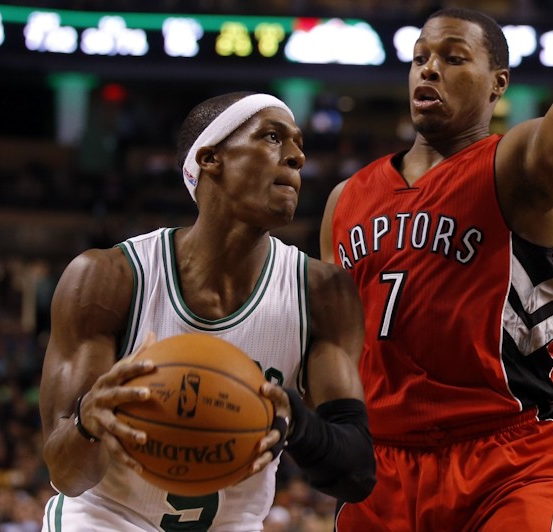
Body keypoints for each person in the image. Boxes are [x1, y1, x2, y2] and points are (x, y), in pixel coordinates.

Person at [320, 4, 553, 531]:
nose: (429, 68)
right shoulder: (345, 199)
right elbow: (330, 344)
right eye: (420, 57)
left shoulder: (515, 166)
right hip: (382, 466)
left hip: (505, 458)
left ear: (497, 84)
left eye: (453, 57)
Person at [39, 92, 376, 531]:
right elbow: (66, 475)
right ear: (211, 158)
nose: (297, 157)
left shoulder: (322, 292)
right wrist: (88, 424)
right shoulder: (108, 279)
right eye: (273, 137)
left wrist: (298, 423)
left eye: (298, 143)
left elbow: (356, 474)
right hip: (107, 519)